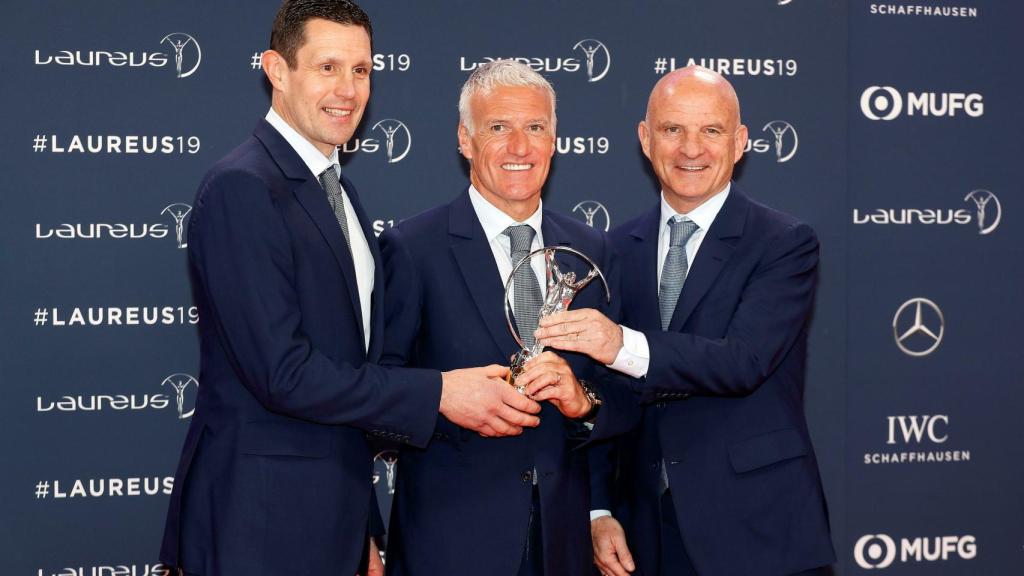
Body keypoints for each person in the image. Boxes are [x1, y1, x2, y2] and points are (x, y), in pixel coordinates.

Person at [158, 3, 541, 575]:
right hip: (258, 519)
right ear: (277, 70)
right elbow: (282, 374)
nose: (348, 89)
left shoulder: (337, 192)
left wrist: (363, 525)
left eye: (360, 70)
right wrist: (439, 392)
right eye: (327, 67)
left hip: (330, 515)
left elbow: (349, 368)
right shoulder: (243, 187)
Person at [535, 66, 836, 576]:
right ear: (645, 139)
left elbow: (743, 361)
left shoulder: (783, 243)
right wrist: (599, 509)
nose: (690, 149)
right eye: (672, 129)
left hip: (759, 527)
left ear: (740, 142)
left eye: (711, 130)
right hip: (645, 533)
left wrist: (621, 344)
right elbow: (601, 392)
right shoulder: (613, 250)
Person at [378, 60, 639, 576]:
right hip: (449, 544)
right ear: (465, 139)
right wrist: (443, 396)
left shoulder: (593, 252)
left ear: (554, 140)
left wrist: (584, 401)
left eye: (535, 127)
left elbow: (628, 398)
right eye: (499, 127)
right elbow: (377, 389)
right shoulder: (412, 248)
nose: (520, 147)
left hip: (563, 543)